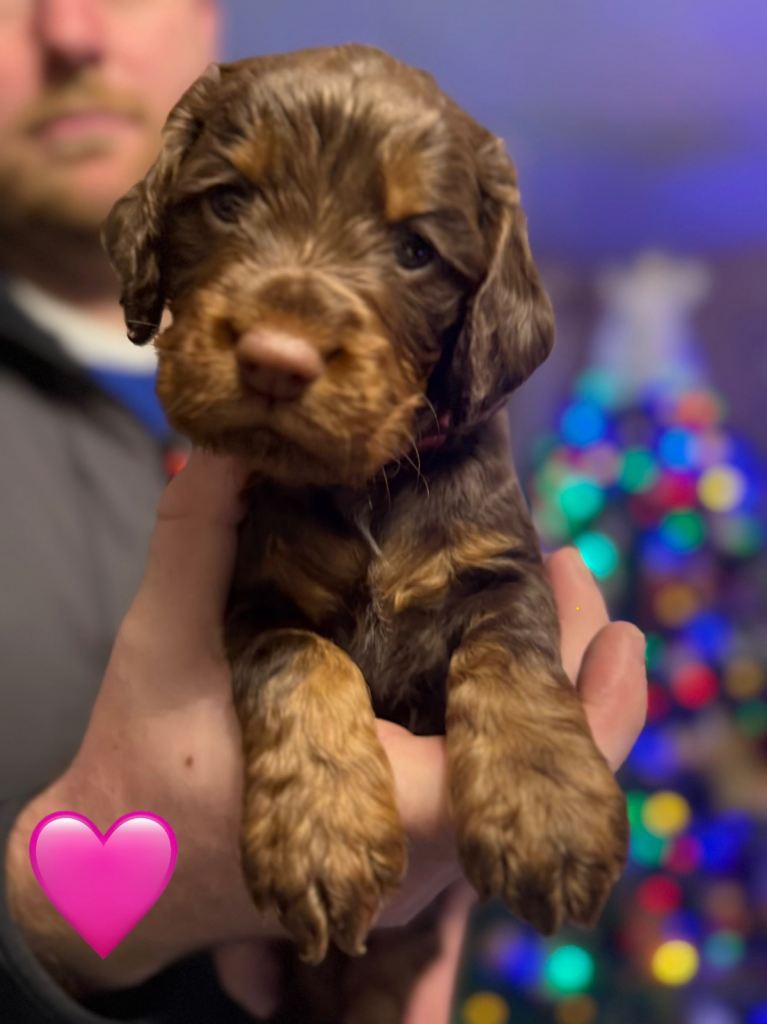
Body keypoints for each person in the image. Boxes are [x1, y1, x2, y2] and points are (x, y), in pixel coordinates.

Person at [0, 2, 648, 1021]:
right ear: (156, 232)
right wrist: (64, 922)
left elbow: (494, 604)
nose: (71, 28)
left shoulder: (462, 452)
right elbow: (261, 626)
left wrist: (508, 693)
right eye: (226, 205)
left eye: (409, 252)